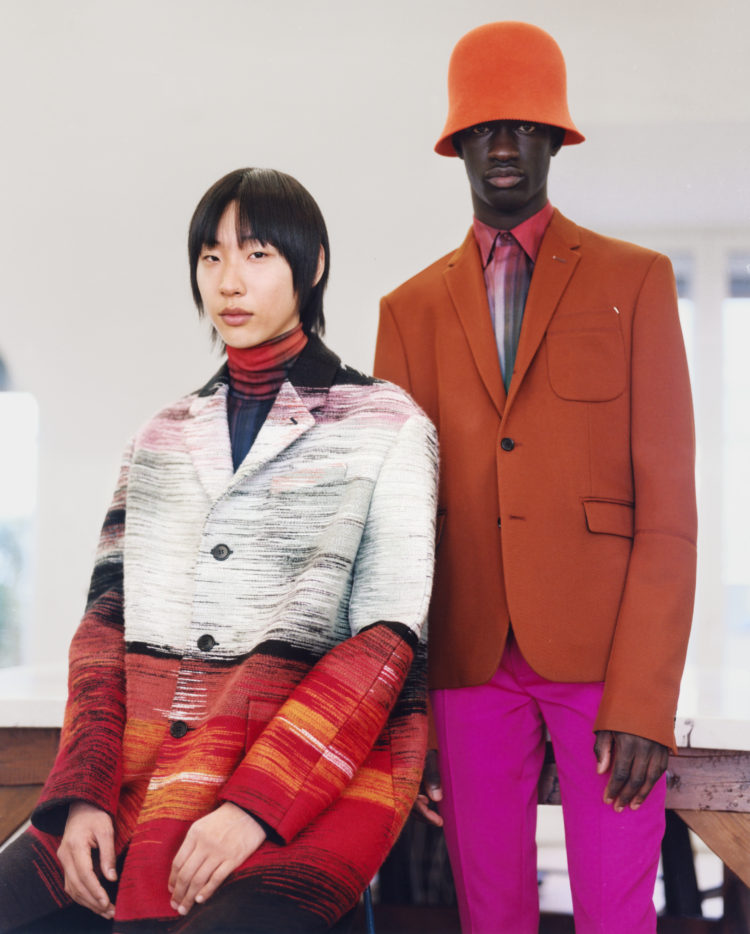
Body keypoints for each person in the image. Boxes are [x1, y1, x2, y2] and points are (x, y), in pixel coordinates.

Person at [0, 167, 438, 934]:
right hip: (143, 774)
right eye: (211, 256)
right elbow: (104, 627)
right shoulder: (161, 437)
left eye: (257, 254)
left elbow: (385, 642)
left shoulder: (387, 427)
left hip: (315, 781)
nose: (229, 281)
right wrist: (84, 795)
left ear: (313, 265)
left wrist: (253, 809)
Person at [374, 21, 696, 934]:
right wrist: (410, 712)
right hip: (466, 663)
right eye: (483, 128)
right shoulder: (408, 311)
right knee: (493, 915)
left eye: (522, 125)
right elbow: (399, 531)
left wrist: (645, 697)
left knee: (616, 914)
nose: (504, 146)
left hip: (604, 662)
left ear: (555, 137)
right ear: (458, 145)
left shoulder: (636, 282)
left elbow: (669, 511)